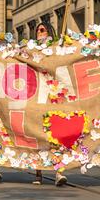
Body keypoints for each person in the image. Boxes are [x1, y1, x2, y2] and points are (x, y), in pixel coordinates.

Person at [33, 22, 67, 187]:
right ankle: (38, 173)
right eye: (38, 30)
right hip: (36, 98)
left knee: (56, 137)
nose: (40, 32)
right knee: (37, 136)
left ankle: (59, 172)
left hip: (53, 98)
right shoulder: (30, 51)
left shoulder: (56, 50)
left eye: (43, 30)